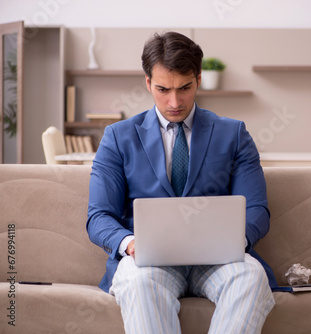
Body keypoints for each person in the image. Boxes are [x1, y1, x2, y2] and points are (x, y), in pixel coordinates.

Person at [86, 31, 276, 333]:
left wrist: (234, 241)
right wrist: (132, 244)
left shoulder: (234, 134)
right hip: (149, 262)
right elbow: (99, 216)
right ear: (148, 83)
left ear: (198, 79)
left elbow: (257, 210)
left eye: (185, 88)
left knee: (251, 276)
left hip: (218, 261)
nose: (174, 101)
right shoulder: (118, 138)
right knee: (138, 282)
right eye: (163, 89)